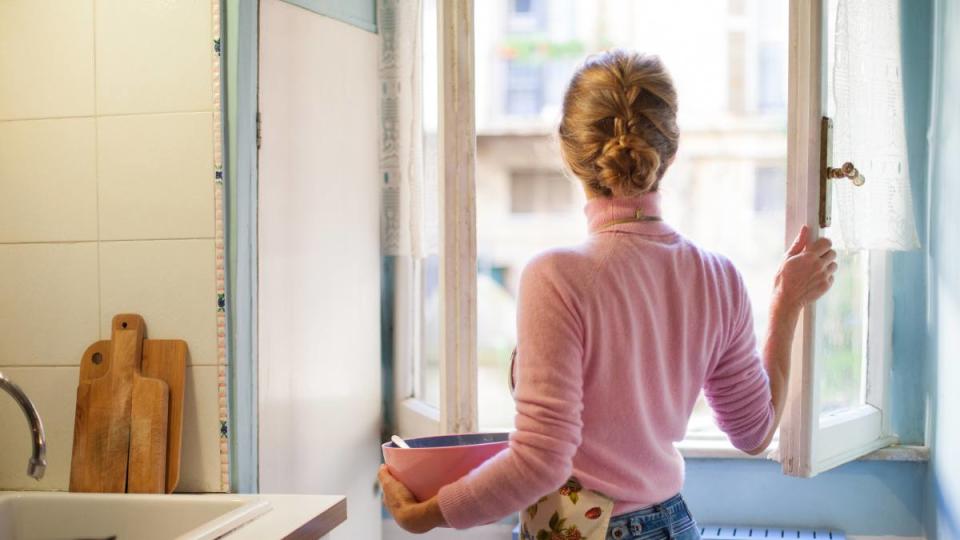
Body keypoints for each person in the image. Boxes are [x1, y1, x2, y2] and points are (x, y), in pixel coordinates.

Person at [379, 49, 837, 540]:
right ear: (670, 152)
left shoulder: (554, 276)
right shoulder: (717, 277)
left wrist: (425, 514)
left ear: (567, 150)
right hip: (674, 526)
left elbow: (541, 462)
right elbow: (754, 433)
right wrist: (787, 305)